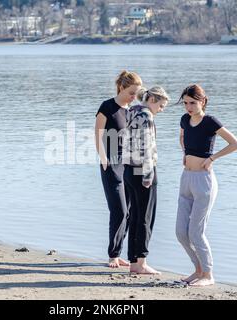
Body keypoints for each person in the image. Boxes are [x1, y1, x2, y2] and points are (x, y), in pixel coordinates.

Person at [176, 84, 237, 286]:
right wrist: (185, 154)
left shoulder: (210, 121)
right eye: (186, 103)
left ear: (203, 101)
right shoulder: (184, 119)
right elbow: (182, 138)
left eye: (193, 102)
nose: (188, 107)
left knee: (196, 232)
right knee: (180, 232)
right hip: (186, 178)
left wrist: (212, 158)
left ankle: (208, 275)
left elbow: (235, 144)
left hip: (204, 181)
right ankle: (198, 270)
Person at [95, 70, 142, 268]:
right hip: (111, 164)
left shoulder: (131, 110)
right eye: (132, 92)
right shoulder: (107, 106)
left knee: (129, 211)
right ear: (122, 87)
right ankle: (112, 255)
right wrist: (103, 157)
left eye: (137, 93)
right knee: (119, 210)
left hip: (129, 164)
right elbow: (97, 134)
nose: (134, 97)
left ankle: (118, 253)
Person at [122, 86, 169, 274]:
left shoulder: (131, 111)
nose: (161, 109)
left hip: (128, 169)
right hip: (143, 171)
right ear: (152, 100)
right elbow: (146, 148)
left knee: (134, 216)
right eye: (162, 105)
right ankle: (141, 262)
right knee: (146, 217)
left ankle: (133, 261)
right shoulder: (146, 116)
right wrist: (149, 175)